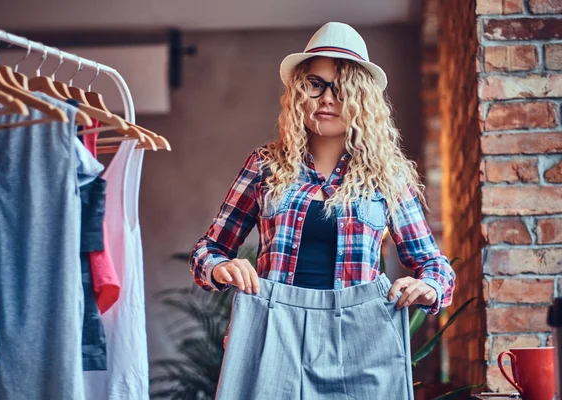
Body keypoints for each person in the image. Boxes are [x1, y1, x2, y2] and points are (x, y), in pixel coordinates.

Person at [189, 22, 456, 400]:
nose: (326, 98)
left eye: (342, 87)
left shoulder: (388, 176)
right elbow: (207, 249)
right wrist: (219, 266)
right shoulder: (264, 166)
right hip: (272, 327)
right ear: (299, 92)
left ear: (362, 99)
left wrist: (427, 286)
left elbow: (436, 265)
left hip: (362, 334)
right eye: (315, 84)